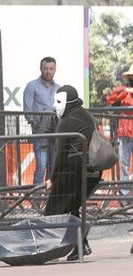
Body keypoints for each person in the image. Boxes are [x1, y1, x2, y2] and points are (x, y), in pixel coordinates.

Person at [44, 85, 100, 259]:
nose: (55, 105)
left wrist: (51, 179)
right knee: (71, 208)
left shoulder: (66, 122)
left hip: (73, 171)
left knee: (52, 210)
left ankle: (51, 251)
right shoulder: (87, 115)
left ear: (69, 102)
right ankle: (81, 247)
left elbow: (60, 155)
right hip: (92, 172)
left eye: (59, 101)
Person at [23, 57, 58, 186]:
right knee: (41, 165)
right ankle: (35, 199)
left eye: (51, 69)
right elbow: (27, 111)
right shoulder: (32, 86)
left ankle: (50, 199)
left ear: (55, 70)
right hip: (40, 133)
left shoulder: (59, 88)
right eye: (45, 68)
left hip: (55, 133)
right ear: (40, 69)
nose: (48, 71)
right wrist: (37, 124)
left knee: (53, 166)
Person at [105, 66, 133, 184]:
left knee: (124, 164)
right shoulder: (123, 91)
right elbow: (110, 98)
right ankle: (125, 196)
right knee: (124, 164)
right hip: (125, 132)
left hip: (127, 132)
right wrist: (126, 90)